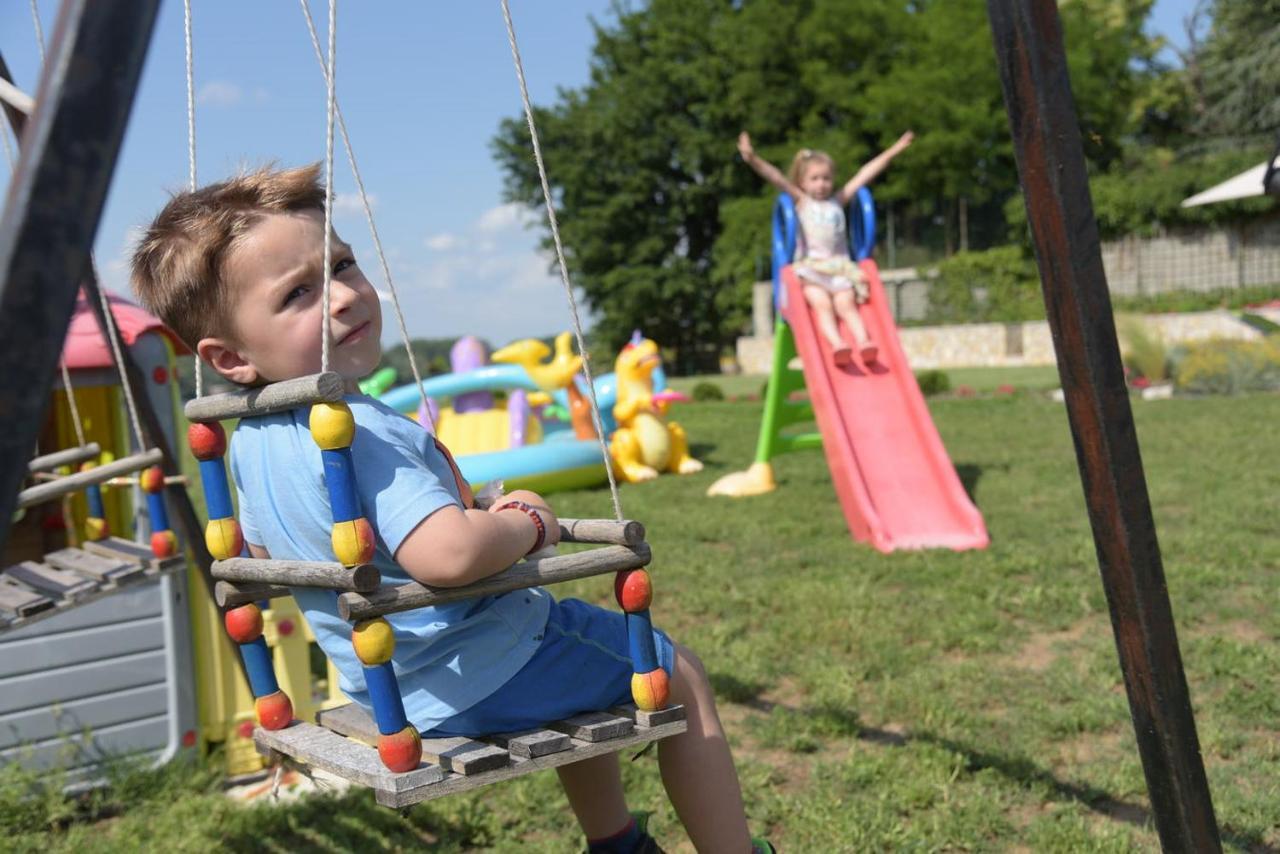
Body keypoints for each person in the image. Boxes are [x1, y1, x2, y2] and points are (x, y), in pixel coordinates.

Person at [131, 164, 769, 854]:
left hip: (398, 690)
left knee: (591, 685)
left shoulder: (251, 444)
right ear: (229, 357)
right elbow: (450, 556)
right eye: (298, 294)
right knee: (679, 674)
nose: (343, 295)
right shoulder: (354, 426)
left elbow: (268, 556)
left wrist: (462, 509)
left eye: (341, 264)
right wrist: (526, 522)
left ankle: (619, 844)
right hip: (489, 664)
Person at [738, 130, 914, 366]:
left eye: (826, 178)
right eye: (815, 179)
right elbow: (776, 177)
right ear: (802, 182)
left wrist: (895, 149)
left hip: (840, 268)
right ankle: (837, 344)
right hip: (812, 270)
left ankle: (864, 342)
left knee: (847, 305)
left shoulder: (837, 202)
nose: (821, 184)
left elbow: (865, 174)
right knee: (821, 304)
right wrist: (752, 158)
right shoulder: (801, 202)